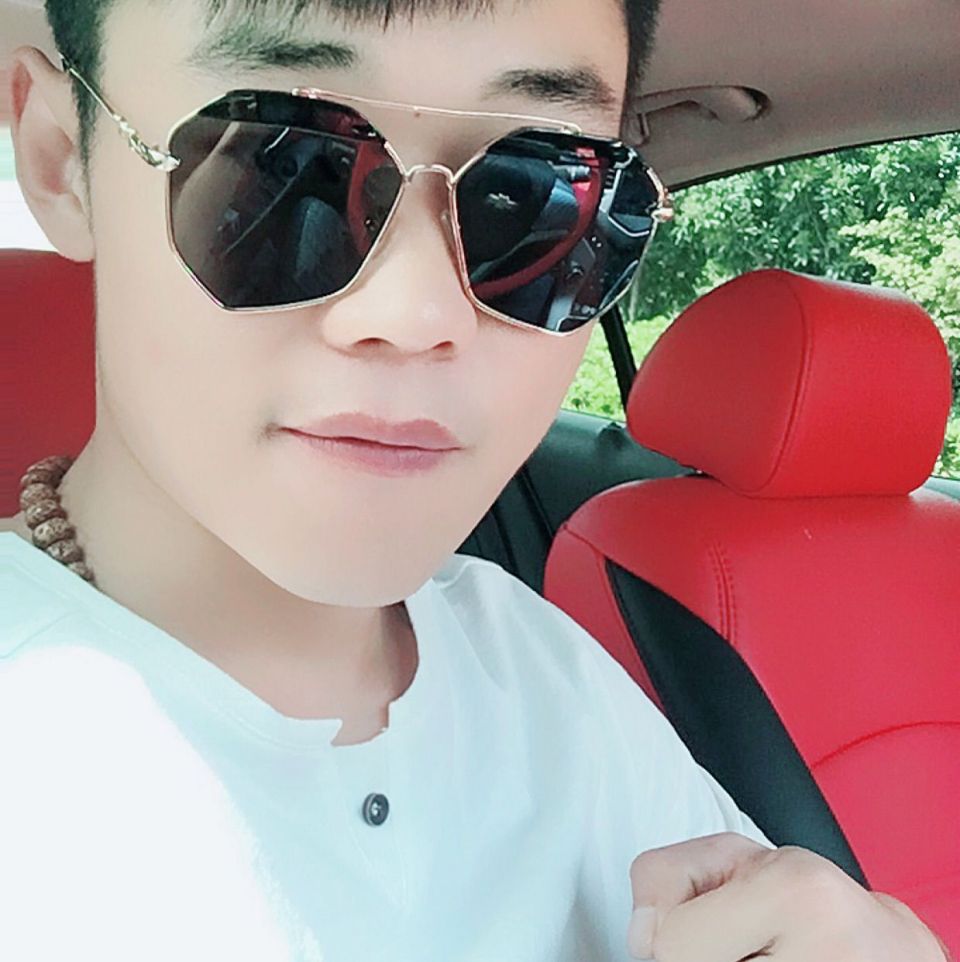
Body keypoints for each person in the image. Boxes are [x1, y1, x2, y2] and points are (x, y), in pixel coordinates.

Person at [0, 1, 951, 960]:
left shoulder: (542, 665)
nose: (420, 314)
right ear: (59, 158)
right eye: (284, 165)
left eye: (533, 196)